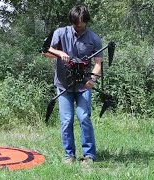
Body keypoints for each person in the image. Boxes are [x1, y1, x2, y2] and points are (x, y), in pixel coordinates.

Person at [43, 4, 103, 164]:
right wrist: (59, 53)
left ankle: (89, 155)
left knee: (84, 117)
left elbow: (98, 63)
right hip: (63, 84)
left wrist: (93, 79)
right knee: (66, 120)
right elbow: (45, 51)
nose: (79, 26)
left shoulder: (94, 38)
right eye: (76, 23)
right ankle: (69, 155)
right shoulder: (60, 33)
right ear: (72, 21)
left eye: (82, 22)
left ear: (86, 21)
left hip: (84, 85)